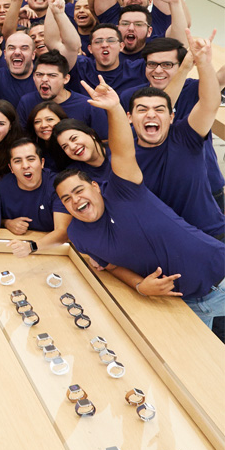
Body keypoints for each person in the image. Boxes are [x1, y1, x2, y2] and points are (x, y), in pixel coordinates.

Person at [52, 77, 225, 331]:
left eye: (78, 190)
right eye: (66, 199)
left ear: (96, 186)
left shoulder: (123, 191)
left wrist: (113, 109)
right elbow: (110, 266)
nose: (75, 200)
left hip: (220, 276)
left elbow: (122, 151)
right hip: (183, 305)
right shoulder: (78, 234)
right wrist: (139, 286)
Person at [127, 32, 225, 239]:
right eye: (152, 64)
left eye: (167, 65)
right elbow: (160, 105)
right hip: (159, 192)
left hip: (206, 185)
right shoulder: (133, 97)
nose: (158, 70)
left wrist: (201, 61)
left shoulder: (193, 89)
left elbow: (212, 96)